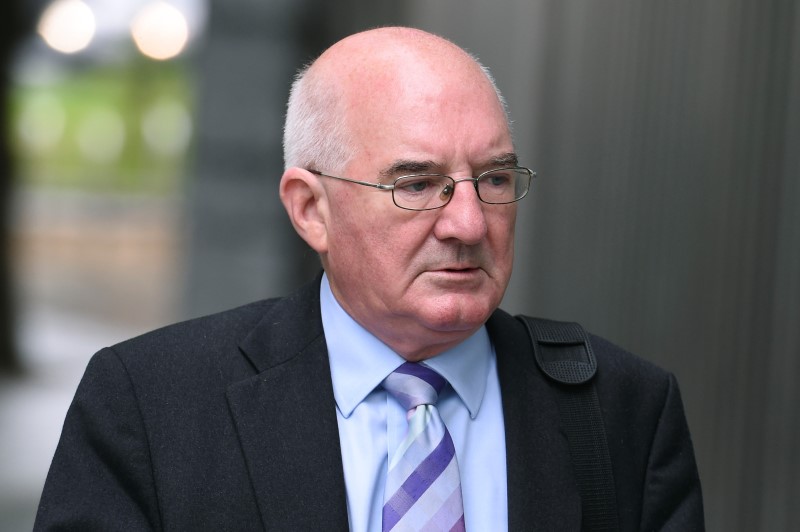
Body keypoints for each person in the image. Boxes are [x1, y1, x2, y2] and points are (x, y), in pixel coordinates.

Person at [34, 27, 703, 531]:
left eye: (494, 178)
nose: (469, 222)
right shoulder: (150, 409)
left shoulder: (625, 412)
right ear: (310, 209)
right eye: (417, 184)